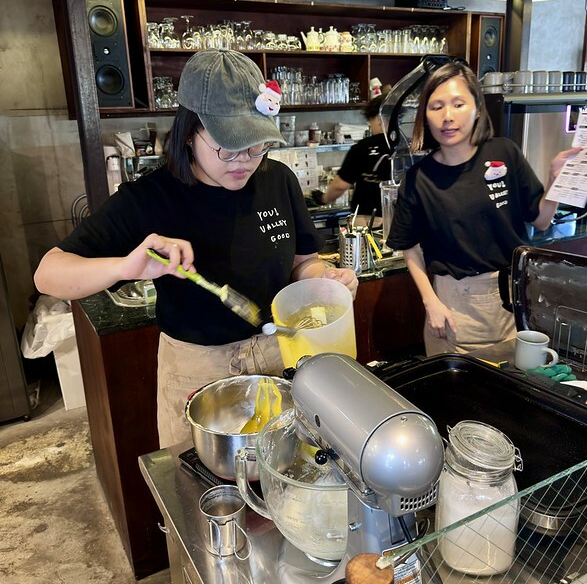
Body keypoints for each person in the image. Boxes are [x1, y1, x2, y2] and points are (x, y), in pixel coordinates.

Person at [34, 49, 358, 448]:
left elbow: (303, 263)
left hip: (279, 356)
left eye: (256, 146)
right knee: (196, 480)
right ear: (189, 133)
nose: (244, 161)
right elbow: (48, 273)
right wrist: (125, 267)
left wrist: (325, 284)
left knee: (289, 466)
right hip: (197, 371)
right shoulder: (149, 198)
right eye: (227, 147)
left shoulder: (278, 180)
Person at [386, 59, 579, 363]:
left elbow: (541, 220)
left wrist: (557, 181)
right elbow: (408, 247)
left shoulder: (505, 152)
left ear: (477, 107)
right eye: (436, 107)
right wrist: (430, 302)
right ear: (425, 115)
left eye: (458, 104)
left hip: (514, 300)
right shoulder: (418, 178)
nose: (447, 117)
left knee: (513, 384)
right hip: (452, 307)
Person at [311, 92, 392, 223]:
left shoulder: (363, 147)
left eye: (370, 122)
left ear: (378, 118)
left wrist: (323, 199)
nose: (370, 126)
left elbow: (340, 185)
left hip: (369, 219)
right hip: (403, 220)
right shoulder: (408, 146)